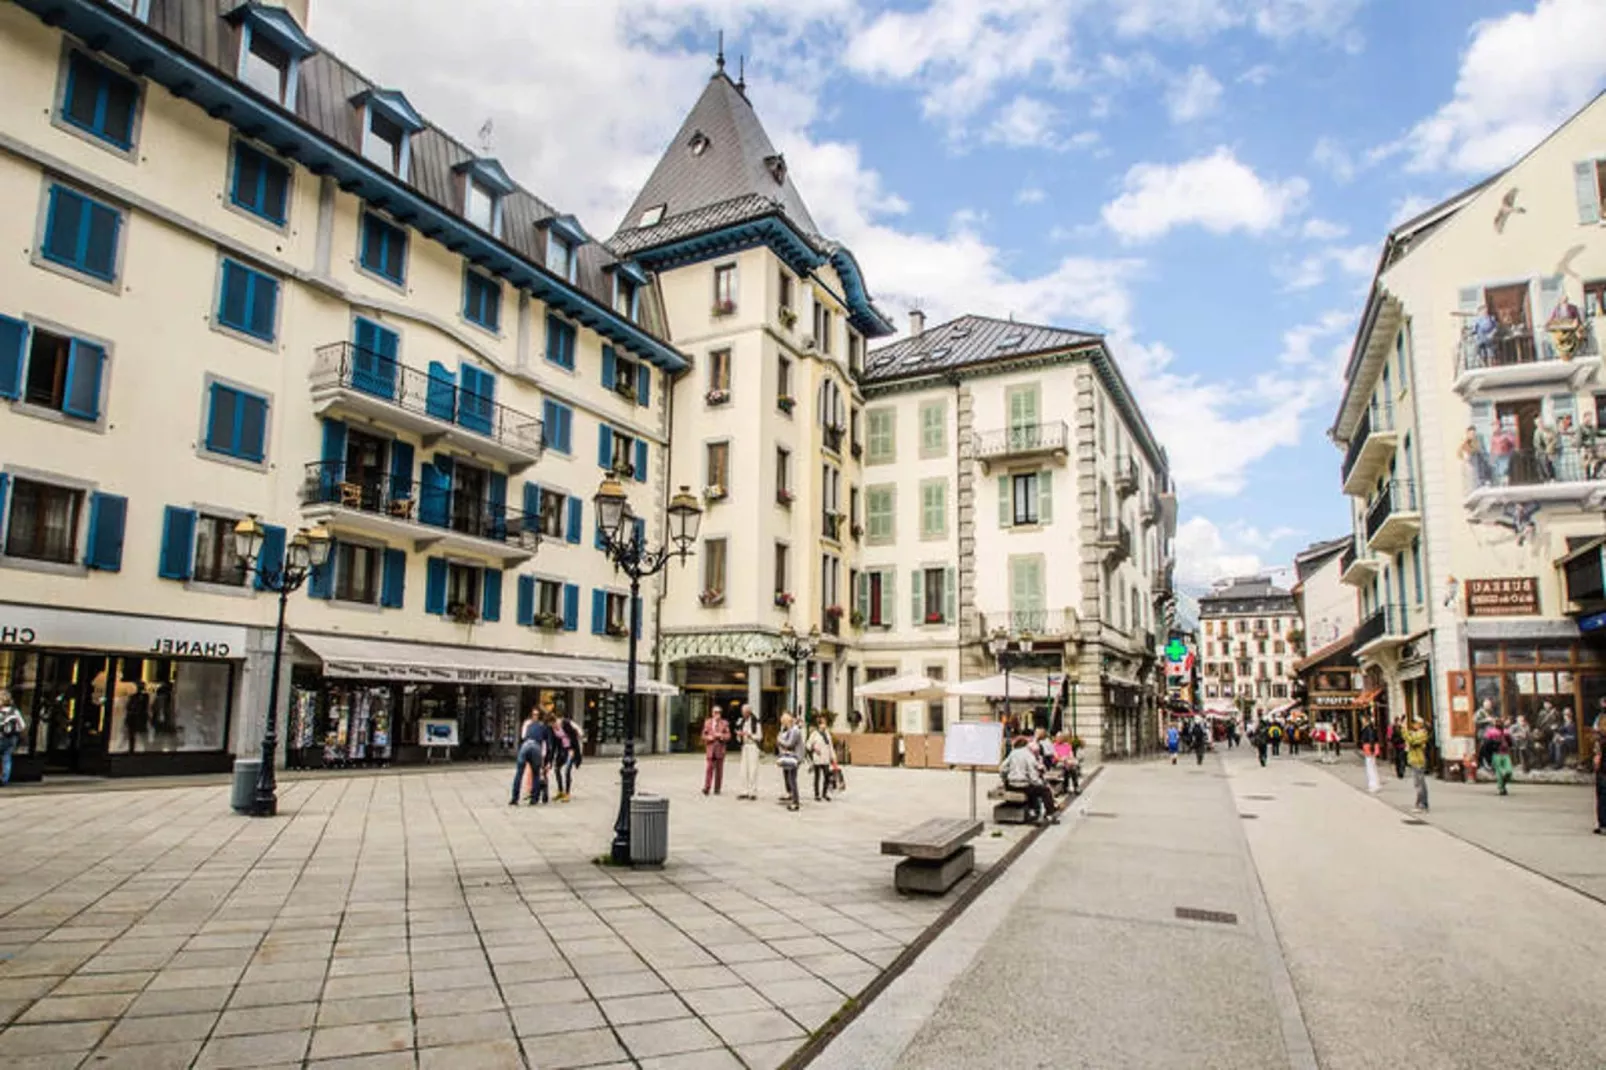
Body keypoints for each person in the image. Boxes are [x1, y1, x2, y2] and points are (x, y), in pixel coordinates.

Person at [1000, 735, 1058, 825]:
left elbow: (1002, 768)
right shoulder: (1028, 755)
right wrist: (1040, 783)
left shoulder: (1013, 753)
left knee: (1033, 791)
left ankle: (1033, 812)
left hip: (1011, 785)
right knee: (1044, 791)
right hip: (1023, 784)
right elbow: (1033, 776)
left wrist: (1005, 779)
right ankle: (1049, 814)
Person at [510, 707, 548, 806]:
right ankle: (534, 799)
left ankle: (514, 798)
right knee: (536, 774)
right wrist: (544, 757)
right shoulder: (543, 726)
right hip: (536, 747)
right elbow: (545, 742)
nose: (534, 716)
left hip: (526, 745)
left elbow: (523, 736)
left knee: (519, 773)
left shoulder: (528, 724)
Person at [701, 705, 730, 796]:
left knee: (719, 770)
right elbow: (703, 735)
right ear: (712, 713)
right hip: (710, 749)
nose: (717, 714)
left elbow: (728, 736)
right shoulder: (707, 722)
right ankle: (707, 787)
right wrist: (708, 737)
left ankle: (717, 788)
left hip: (720, 750)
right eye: (715, 712)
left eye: (719, 712)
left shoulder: (724, 723)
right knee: (709, 768)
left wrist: (721, 736)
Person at [553, 708, 582, 801]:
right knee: (557, 769)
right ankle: (560, 791)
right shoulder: (553, 728)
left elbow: (575, 736)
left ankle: (567, 793)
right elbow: (556, 742)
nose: (556, 724)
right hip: (562, 750)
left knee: (567, 771)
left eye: (557, 721)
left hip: (571, 749)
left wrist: (574, 750)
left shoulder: (566, 724)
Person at [776, 713, 803, 811]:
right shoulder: (790, 730)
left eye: (783, 722)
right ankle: (792, 797)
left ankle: (795, 802)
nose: (783, 724)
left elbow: (789, 744)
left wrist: (779, 740)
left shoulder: (795, 730)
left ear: (787, 721)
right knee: (789, 778)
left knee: (792, 780)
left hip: (795, 757)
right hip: (791, 756)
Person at [736, 704, 762, 800]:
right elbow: (738, 735)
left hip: (753, 746)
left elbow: (759, 736)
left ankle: (753, 792)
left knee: (753, 770)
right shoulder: (741, 721)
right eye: (743, 712)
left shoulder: (756, 722)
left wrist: (750, 735)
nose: (744, 714)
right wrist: (739, 735)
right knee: (743, 770)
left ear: (749, 712)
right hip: (745, 746)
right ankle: (744, 791)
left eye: (746, 712)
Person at [807, 715, 836, 801]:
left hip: (826, 758)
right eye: (822, 723)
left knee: (827, 776)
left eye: (825, 723)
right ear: (819, 725)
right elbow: (808, 745)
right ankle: (817, 794)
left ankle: (824, 793)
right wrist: (814, 748)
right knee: (817, 777)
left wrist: (833, 757)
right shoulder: (814, 734)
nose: (824, 725)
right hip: (817, 759)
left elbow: (830, 746)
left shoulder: (827, 734)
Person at [0, 691, 25, 786]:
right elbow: (22, 726)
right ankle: (4, 779)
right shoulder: (15, 711)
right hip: (11, 738)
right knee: (7, 758)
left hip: (1, 737)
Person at [1406, 720, 1430, 813]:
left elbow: (1411, 741)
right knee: (1418, 783)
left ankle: (1422, 804)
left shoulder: (1422, 734)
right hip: (1415, 760)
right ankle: (1420, 803)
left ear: (1419, 725)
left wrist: (1404, 731)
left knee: (1419, 783)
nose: (1413, 725)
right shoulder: (1417, 733)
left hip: (1418, 760)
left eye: (1415, 723)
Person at [1488, 717, 1513, 796]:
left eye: (1500, 722)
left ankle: (1503, 785)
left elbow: (1511, 743)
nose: (1499, 723)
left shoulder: (1506, 732)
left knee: (1508, 772)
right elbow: (1486, 745)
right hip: (1496, 754)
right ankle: (1501, 788)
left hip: (1505, 754)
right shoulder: (1491, 732)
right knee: (1500, 773)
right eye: (1497, 722)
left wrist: (1508, 740)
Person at [124, 681, 150, 754]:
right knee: (133, 733)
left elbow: (144, 707)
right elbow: (128, 706)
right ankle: (132, 748)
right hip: (134, 717)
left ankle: (145, 748)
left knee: (141, 733)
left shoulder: (144, 696)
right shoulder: (134, 696)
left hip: (139, 716)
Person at [1360, 717, 1380, 793]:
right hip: (1370, 747)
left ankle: (1373, 784)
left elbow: (1370, 739)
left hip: (1369, 748)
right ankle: (1375, 783)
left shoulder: (1368, 729)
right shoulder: (1371, 728)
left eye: (1363, 720)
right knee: (1372, 765)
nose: (1362, 722)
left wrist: (1371, 748)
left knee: (1370, 766)